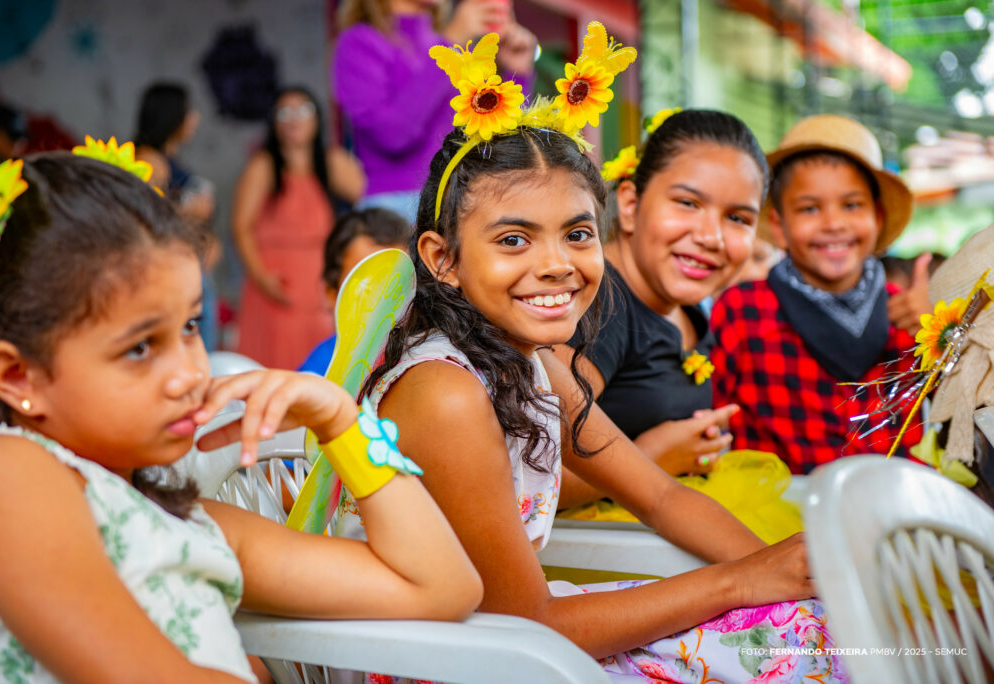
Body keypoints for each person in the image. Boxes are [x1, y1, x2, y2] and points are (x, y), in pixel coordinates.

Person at [338, 32, 845, 682]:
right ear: (444, 259)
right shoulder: (446, 391)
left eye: (577, 233)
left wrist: (783, 572)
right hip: (448, 658)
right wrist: (740, 583)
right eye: (514, 239)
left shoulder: (534, 364)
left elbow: (660, 497)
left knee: (817, 629)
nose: (557, 264)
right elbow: (526, 621)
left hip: (518, 638)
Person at [0, 153, 481, 682]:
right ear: (18, 376)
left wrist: (343, 423)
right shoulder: (4, 471)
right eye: (140, 348)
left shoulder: (195, 524)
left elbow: (443, 587)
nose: (190, 372)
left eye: (191, 327)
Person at [555, 110, 765, 480]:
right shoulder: (600, 306)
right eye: (688, 203)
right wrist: (652, 458)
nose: (711, 237)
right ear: (631, 205)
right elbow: (534, 473)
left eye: (737, 219)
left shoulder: (685, 303)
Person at [711, 114, 923, 474]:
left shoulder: (908, 312)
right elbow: (710, 416)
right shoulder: (742, 310)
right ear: (779, 226)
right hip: (776, 501)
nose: (834, 224)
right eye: (810, 208)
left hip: (890, 498)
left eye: (852, 205)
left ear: (878, 217)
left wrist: (943, 334)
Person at [333, 0, 536, 223]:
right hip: (394, 211)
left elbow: (493, 137)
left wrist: (517, 73)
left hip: (457, 200)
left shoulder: (448, 43)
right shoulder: (358, 41)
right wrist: (450, 43)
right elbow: (392, 136)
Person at [233, 87, 364, 369]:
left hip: (320, 282)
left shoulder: (331, 161)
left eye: (303, 110)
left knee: (321, 364)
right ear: (274, 122)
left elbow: (369, 202)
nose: (294, 118)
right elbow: (242, 227)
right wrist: (262, 278)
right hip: (275, 283)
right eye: (285, 112)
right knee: (277, 364)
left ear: (317, 118)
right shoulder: (263, 166)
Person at [134, 82, 221, 350]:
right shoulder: (150, 160)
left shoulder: (168, 158)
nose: (195, 118)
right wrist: (189, 209)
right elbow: (142, 214)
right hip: (172, 271)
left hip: (191, 267)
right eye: (188, 111)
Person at [298, 207, 413, 375]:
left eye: (399, 281)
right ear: (331, 294)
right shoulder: (319, 374)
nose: (383, 297)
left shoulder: (426, 358)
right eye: (368, 284)